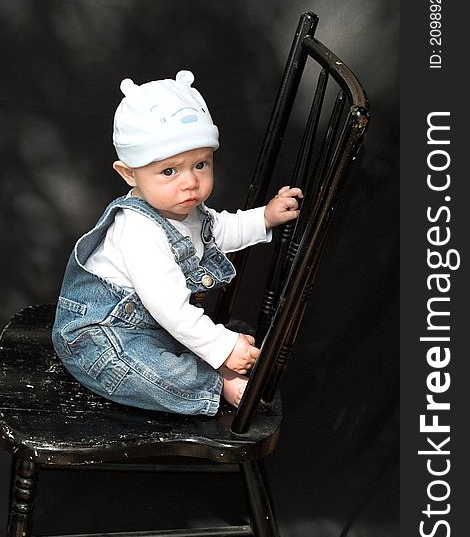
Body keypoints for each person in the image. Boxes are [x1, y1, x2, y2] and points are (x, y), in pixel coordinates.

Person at [52, 70, 302, 416]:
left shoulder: (185, 209)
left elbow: (222, 229)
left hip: (151, 325)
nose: (190, 183)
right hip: (100, 338)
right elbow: (171, 310)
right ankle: (217, 383)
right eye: (169, 171)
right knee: (144, 371)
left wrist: (264, 217)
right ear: (129, 173)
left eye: (200, 164)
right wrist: (224, 346)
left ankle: (211, 362)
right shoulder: (138, 231)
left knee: (184, 340)